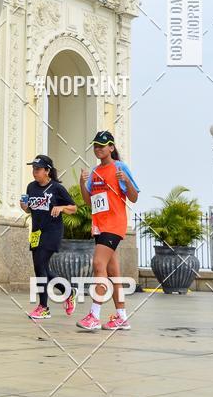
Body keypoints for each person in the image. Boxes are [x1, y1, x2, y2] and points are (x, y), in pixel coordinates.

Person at [77, 131, 139, 331]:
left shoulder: (120, 168)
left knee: (98, 264)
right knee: (113, 273)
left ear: (111, 148)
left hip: (114, 225)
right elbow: (89, 201)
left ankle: (94, 314)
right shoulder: (94, 172)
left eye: (102, 146)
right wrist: (81, 183)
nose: (98, 149)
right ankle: (121, 317)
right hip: (99, 226)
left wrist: (127, 181)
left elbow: (134, 197)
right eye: (96, 145)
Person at [21, 154, 77, 320]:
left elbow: (74, 208)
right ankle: (69, 291)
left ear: (47, 171)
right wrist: (25, 207)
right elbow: (30, 209)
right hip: (37, 232)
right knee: (40, 268)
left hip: (52, 231)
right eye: (33, 169)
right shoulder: (31, 187)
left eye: (38, 169)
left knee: (40, 265)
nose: (35, 172)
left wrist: (60, 208)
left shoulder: (56, 188)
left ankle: (43, 307)